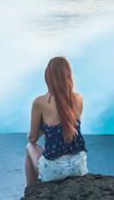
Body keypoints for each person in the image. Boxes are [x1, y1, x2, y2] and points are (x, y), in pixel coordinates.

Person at [25, 56, 88, 184]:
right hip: (79, 167)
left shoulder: (40, 102)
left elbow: (32, 138)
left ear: (48, 77)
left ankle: (31, 190)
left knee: (29, 147)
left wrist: (44, 130)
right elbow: (67, 129)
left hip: (55, 170)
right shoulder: (78, 98)